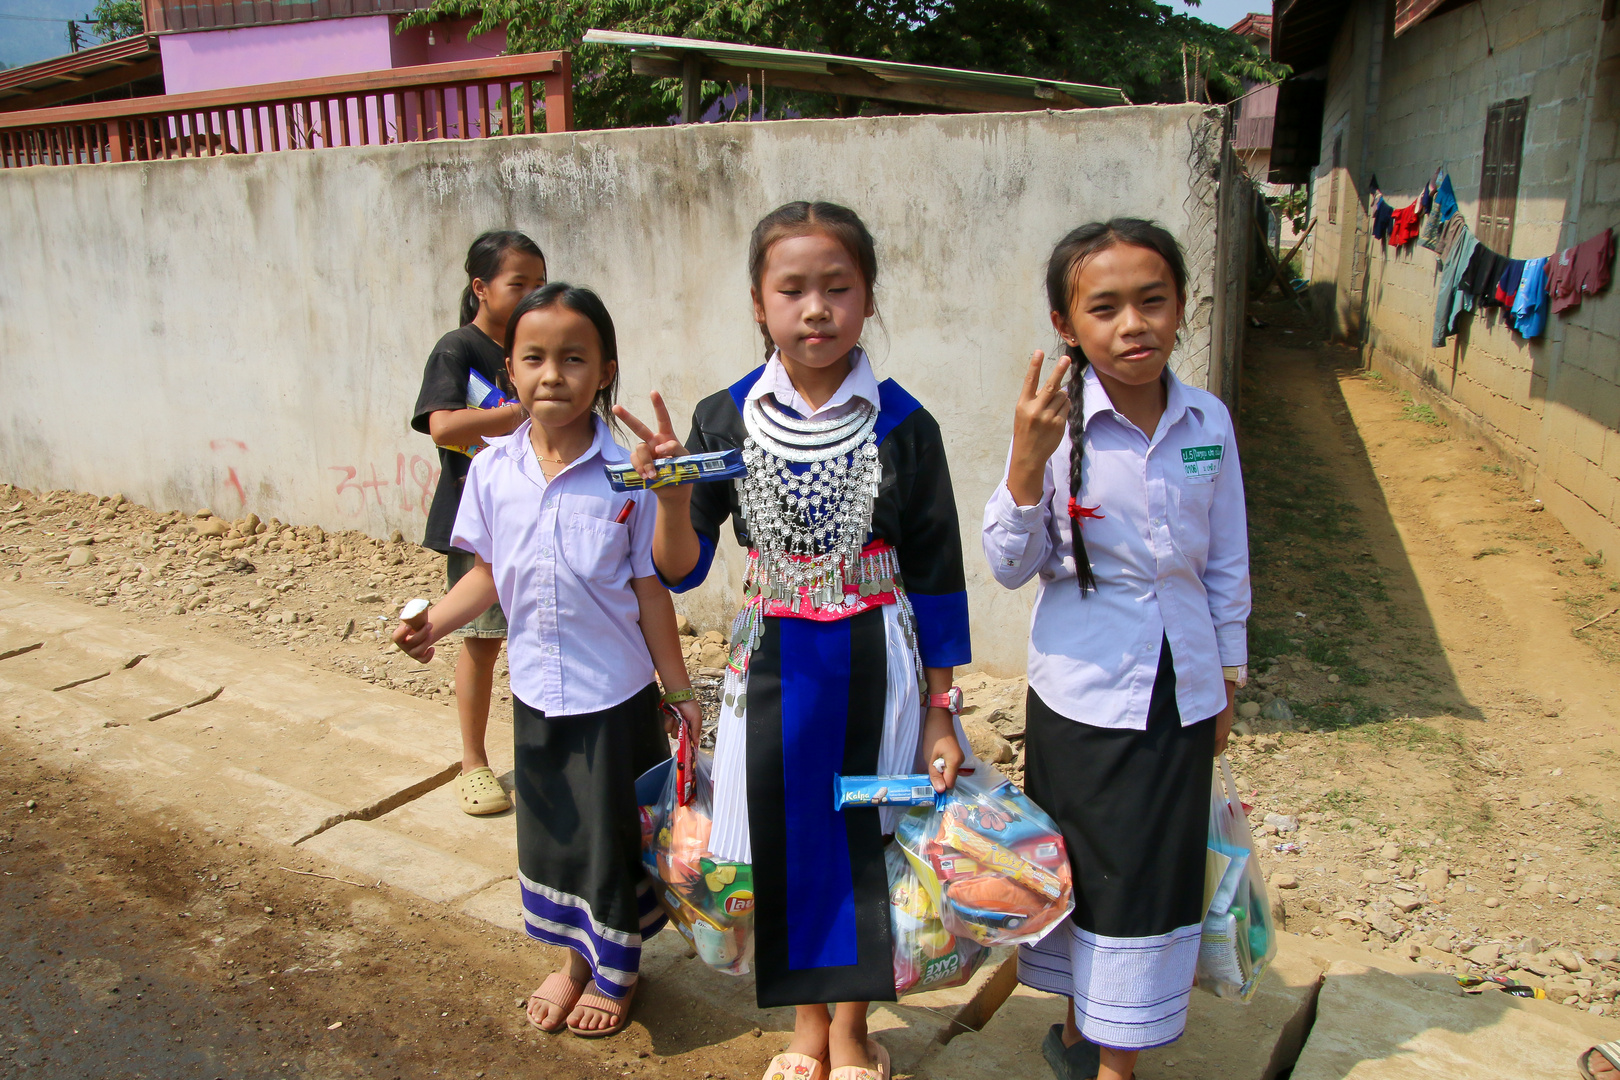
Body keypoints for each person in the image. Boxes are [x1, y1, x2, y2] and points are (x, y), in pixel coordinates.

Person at [615, 201, 973, 1080]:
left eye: (838, 287)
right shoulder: (723, 418)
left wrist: (940, 711)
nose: (817, 308)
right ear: (758, 302)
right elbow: (683, 566)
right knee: (783, 837)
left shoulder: (903, 424)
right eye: (793, 289)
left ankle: (851, 1036)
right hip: (769, 663)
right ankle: (806, 1031)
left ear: (869, 297)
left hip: (874, 666)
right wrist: (667, 497)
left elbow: (939, 576)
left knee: (861, 838)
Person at [394, 284, 701, 1038]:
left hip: (614, 700)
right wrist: (432, 622)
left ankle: (618, 974)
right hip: (536, 695)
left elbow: (653, 590)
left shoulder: (626, 477)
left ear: (606, 371)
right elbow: (488, 577)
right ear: (510, 369)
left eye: (574, 358)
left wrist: (680, 688)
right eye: (534, 358)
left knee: (611, 842)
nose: (552, 374)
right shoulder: (494, 470)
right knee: (555, 836)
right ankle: (573, 962)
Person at [981, 219, 1249, 1080]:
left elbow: (1228, 558)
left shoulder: (1209, 421)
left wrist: (1228, 675)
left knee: (1151, 875)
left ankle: (1115, 1065)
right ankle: (1078, 1026)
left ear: (1180, 308)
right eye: (1105, 307)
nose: (1132, 323)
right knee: (1083, 869)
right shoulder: (1055, 425)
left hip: (1183, 687)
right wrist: (1026, 463)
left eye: (1152, 300)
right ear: (1067, 325)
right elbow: (1009, 564)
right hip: (1082, 691)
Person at [411, 230, 547, 816]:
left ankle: (541, 758)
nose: (531, 296)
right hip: (479, 520)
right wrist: (523, 410)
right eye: (519, 284)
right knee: (483, 639)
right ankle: (473, 763)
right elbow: (442, 427)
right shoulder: (458, 349)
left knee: (538, 634)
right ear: (480, 288)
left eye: (540, 285)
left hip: (537, 511)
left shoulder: (533, 341)